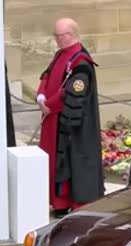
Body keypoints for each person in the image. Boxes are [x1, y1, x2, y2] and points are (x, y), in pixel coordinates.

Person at [36, 17, 104, 218]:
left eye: (59, 35)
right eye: (55, 35)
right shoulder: (60, 55)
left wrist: (49, 105)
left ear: (70, 35)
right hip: (53, 118)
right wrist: (41, 96)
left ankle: (70, 203)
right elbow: (47, 76)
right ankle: (58, 202)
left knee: (70, 162)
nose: (56, 39)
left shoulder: (81, 62)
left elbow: (71, 92)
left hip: (72, 125)